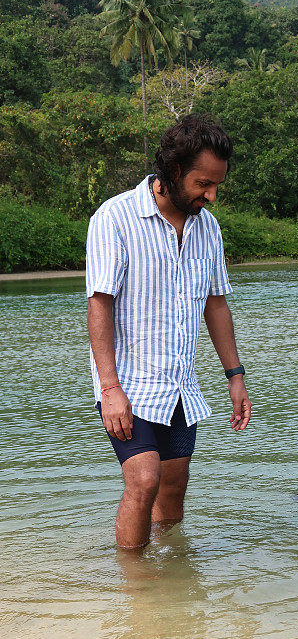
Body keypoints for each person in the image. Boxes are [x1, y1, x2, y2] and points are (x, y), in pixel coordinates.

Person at [86, 113, 251, 550]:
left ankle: (168, 592)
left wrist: (235, 375)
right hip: (129, 385)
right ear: (174, 171)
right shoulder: (115, 218)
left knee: (174, 491)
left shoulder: (207, 229)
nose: (211, 195)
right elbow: (99, 304)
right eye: (203, 184)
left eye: (217, 184)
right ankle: (136, 587)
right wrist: (109, 388)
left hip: (179, 387)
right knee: (144, 480)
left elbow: (216, 303)